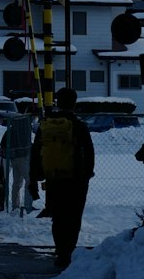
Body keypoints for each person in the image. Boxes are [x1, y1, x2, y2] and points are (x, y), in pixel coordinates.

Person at [28, 87, 95, 268]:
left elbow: (36, 153)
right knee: (73, 215)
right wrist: (87, 174)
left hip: (53, 178)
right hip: (76, 179)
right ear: (74, 103)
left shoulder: (47, 125)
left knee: (57, 216)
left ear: (57, 102)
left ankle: (60, 250)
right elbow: (89, 152)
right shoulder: (79, 126)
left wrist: (34, 178)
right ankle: (68, 251)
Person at [3, 101, 35, 213]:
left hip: (13, 157)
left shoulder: (14, 124)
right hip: (24, 157)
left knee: (16, 182)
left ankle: (15, 206)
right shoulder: (25, 125)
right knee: (29, 181)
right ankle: (28, 206)